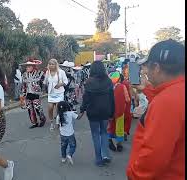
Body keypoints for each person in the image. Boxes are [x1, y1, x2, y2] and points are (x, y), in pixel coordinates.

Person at [127, 39, 185, 180]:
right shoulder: (175, 93)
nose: (144, 72)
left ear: (157, 67)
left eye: (146, 67)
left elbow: (154, 156)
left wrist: (134, 175)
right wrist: (147, 89)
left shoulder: (166, 101)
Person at [79, 61, 114, 167]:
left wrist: (82, 110)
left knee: (95, 135)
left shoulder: (89, 82)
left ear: (92, 69)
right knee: (104, 132)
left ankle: (99, 159)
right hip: (105, 111)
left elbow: (86, 99)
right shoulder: (108, 81)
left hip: (93, 112)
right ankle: (105, 155)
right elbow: (112, 99)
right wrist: (112, 112)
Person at [19, 59, 46, 129]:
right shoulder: (24, 75)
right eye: (27, 66)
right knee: (30, 108)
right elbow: (24, 85)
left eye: (29, 66)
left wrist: (42, 89)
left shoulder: (40, 73)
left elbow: (45, 82)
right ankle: (34, 122)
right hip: (28, 93)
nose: (27, 68)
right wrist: (23, 95)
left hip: (36, 93)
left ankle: (42, 119)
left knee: (37, 107)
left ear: (33, 67)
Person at [43, 59, 68, 131]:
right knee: (50, 108)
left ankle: (59, 122)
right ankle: (51, 122)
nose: (51, 65)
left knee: (58, 108)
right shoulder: (47, 72)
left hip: (59, 93)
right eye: (50, 64)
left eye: (52, 64)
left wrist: (60, 84)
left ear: (56, 65)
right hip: (51, 93)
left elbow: (66, 81)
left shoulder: (61, 72)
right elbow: (45, 81)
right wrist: (43, 87)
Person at [108, 72, 129, 152]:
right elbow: (127, 99)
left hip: (110, 111)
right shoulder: (122, 86)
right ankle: (119, 144)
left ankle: (110, 139)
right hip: (120, 111)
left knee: (111, 126)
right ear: (119, 79)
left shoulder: (109, 87)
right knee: (119, 127)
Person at [56, 101, 79, 165]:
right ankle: (69, 154)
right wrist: (82, 113)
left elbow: (57, 126)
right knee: (73, 146)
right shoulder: (71, 113)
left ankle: (63, 158)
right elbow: (78, 117)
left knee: (63, 146)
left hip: (62, 134)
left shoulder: (58, 116)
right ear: (67, 106)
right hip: (70, 134)